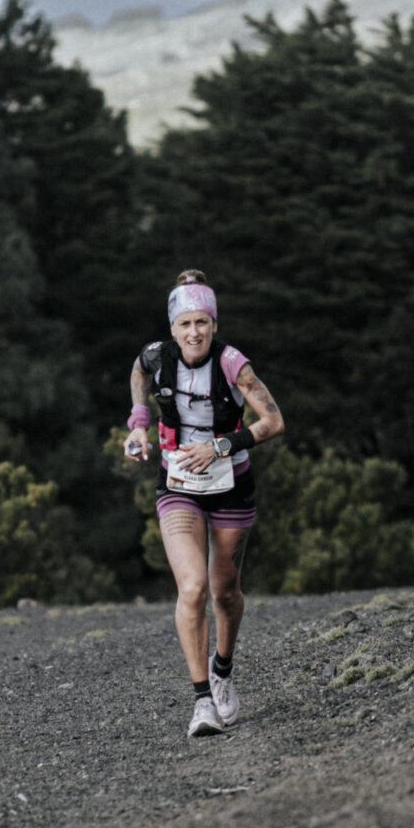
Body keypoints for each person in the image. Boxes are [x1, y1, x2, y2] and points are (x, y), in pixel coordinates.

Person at [125, 270, 285, 739]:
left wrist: (221, 445)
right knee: (191, 588)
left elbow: (274, 421)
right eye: (184, 324)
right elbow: (137, 373)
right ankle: (202, 703)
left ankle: (223, 669)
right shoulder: (155, 357)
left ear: (214, 325)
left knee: (225, 593)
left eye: (202, 323)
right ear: (171, 327)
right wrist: (138, 423)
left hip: (230, 485)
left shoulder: (234, 364)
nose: (193, 332)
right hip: (177, 486)